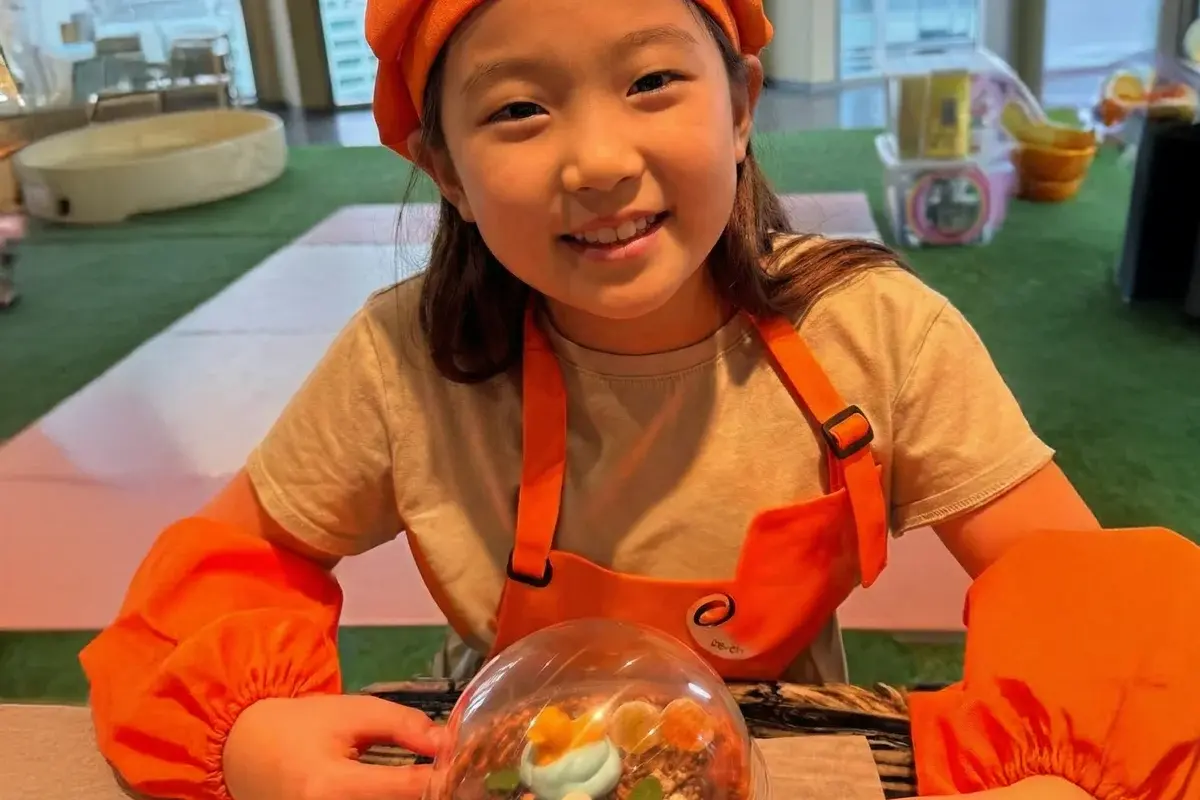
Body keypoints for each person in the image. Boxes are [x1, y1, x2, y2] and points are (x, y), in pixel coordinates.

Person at [79, 1, 1200, 799]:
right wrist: (248, 733)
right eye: (519, 108)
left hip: (786, 755)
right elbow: (230, 558)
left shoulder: (877, 332)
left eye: (653, 81)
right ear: (448, 169)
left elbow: (1081, 584)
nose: (600, 162)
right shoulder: (400, 362)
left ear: (742, 104)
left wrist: (1061, 772)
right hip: (505, 766)